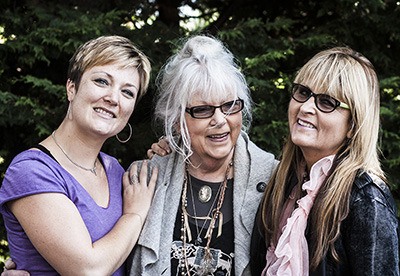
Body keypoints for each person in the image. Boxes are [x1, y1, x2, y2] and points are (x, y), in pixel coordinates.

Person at [0, 35, 158, 275]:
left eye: (127, 92)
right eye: (102, 81)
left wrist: (171, 152)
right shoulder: (32, 170)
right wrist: (135, 214)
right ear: (71, 88)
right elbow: (87, 270)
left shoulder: (116, 171)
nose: (113, 98)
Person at [126, 35, 277, 276]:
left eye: (229, 106)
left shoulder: (274, 181)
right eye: (203, 110)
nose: (220, 120)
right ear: (176, 121)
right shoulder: (146, 180)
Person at [250, 47, 399, 275]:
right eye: (302, 92)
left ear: (352, 125)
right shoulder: (287, 182)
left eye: (327, 102)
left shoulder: (366, 201)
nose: (306, 107)